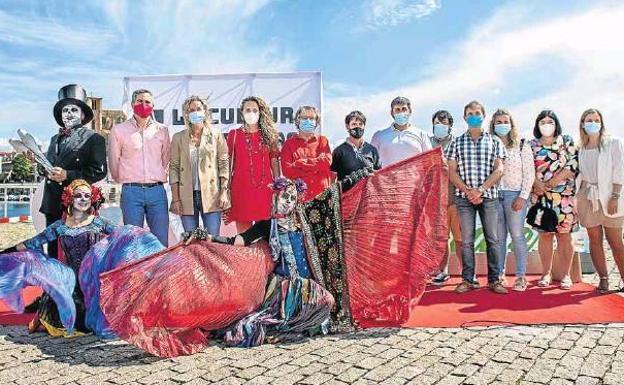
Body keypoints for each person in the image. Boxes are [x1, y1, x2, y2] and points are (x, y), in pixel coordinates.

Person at [97, 177, 335, 357]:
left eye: (292, 199)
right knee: (271, 317)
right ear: (275, 199)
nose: (288, 203)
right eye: (284, 197)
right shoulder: (266, 226)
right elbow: (236, 242)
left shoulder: (305, 225)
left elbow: (330, 205)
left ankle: (299, 321)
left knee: (326, 301)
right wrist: (208, 238)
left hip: (307, 281)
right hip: (280, 286)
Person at [0, 180, 164, 339]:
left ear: (92, 198)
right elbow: (33, 242)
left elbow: (126, 236)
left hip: (94, 282)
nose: (83, 199)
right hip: (70, 282)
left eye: (87, 195)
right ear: (70, 198)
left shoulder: (100, 223)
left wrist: (152, 251)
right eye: (79, 195)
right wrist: (6, 252)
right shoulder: (59, 226)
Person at [446, 101, 507, 294]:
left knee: (493, 239)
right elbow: (452, 172)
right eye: (470, 113)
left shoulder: (495, 141)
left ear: (483, 115)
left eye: (477, 112)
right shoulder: (456, 142)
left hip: (489, 196)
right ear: (464, 117)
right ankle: (468, 280)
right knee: (466, 241)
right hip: (464, 199)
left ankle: (494, 280)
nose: (474, 116)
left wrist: (480, 190)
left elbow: (499, 170)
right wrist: (467, 191)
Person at [41, 84, 108, 259]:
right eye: (65, 110)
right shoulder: (54, 138)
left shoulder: (94, 138)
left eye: (73, 109)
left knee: (78, 251)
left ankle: (79, 286)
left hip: (78, 204)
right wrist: (41, 165)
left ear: (83, 114)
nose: (68, 113)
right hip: (52, 202)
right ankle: (54, 285)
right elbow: (50, 166)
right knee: (53, 249)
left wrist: (67, 175)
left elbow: (99, 171)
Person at [108, 89, 171, 246]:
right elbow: (114, 160)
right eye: (139, 101)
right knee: (132, 242)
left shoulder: (162, 130)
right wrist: (124, 179)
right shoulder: (119, 130)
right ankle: (135, 271)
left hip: (157, 192)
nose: (144, 105)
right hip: (131, 192)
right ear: (132, 105)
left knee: (160, 241)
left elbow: (166, 159)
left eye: (147, 102)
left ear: (153, 105)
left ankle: (159, 271)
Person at [576, 109, 624, 293]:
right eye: (589, 120)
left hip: (611, 197)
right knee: (594, 239)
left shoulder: (613, 143)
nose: (593, 123)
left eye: (596, 120)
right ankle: (603, 279)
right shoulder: (580, 147)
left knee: (615, 241)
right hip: (588, 198)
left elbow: (620, 170)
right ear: (583, 123)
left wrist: (615, 195)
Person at [529, 110, 578, 290]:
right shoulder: (531, 145)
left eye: (550, 121)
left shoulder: (566, 141)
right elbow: (526, 168)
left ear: (556, 124)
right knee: (545, 236)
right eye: (543, 122)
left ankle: (565, 275)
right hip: (541, 198)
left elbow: (573, 164)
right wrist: (537, 184)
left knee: (564, 237)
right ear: (537, 125)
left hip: (564, 197)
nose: (546, 124)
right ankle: (546, 273)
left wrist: (553, 182)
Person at [169, 96, 230, 235]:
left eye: (198, 109)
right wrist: (176, 199)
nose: (195, 112)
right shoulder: (178, 137)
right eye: (191, 110)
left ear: (205, 111)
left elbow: (224, 164)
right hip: (186, 197)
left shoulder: (216, 135)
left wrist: (224, 192)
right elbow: (174, 168)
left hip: (212, 195)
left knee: (213, 240)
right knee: (191, 241)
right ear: (186, 114)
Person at [490, 109, 535, 291]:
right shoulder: (489, 144)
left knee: (517, 236)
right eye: (498, 122)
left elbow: (529, 173)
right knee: (499, 239)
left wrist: (523, 196)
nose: (502, 125)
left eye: (505, 121)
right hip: (494, 196)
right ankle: (500, 276)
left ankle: (521, 276)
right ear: (493, 125)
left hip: (515, 195)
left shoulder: (522, 144)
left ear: (511, 124)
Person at [227, 96, 281, 232]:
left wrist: (278, 184)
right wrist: (224, 190)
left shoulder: (270, 136)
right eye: (248, 110)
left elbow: (274, 159)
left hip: (265, 192)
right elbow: (228, 164)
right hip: (240, 191)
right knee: (243, 238)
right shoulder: (234, 135)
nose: (251, 113)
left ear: (260, 112)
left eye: (255, 110)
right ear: (242, 112)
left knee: (265, 237)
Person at [429, 110, 461, 285]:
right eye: (437, 123)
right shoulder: (427, 142)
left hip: (455, 197)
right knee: (441, 239)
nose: (440, 125)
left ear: (450, 125)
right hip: (435, 199)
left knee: (460, 239)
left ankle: (466, 273)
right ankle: (443, 271)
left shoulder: (458, 143)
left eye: (444, 122)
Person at [281, 106, 333, 202]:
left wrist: (299, 163)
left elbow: (326, 162)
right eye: (304, 118)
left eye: (312, 118)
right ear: (297, 121)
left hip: (323, 199)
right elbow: (287, 171)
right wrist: (316, 165)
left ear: (316, 122)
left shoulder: (322, 141)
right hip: (299, 201)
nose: (308, 121)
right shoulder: (288, 144)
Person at [371, 96, 432, 166]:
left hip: (415, 177)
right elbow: (370, 162)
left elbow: (429, 161)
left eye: (404, 109)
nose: (401, 112)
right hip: (388, 177)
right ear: (392, 113)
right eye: (397, 109)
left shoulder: (422, 134)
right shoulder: (379, 136)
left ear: (410, 111)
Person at [331, 110, 382, 192]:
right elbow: (332, 179)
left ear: (364, 126)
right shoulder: (339, 151)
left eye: (360, 124)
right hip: (346, 199)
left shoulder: (372, 150)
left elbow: (379, 176)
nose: (357, 127)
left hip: (367, 199)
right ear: (347, 126)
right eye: (354, 124)